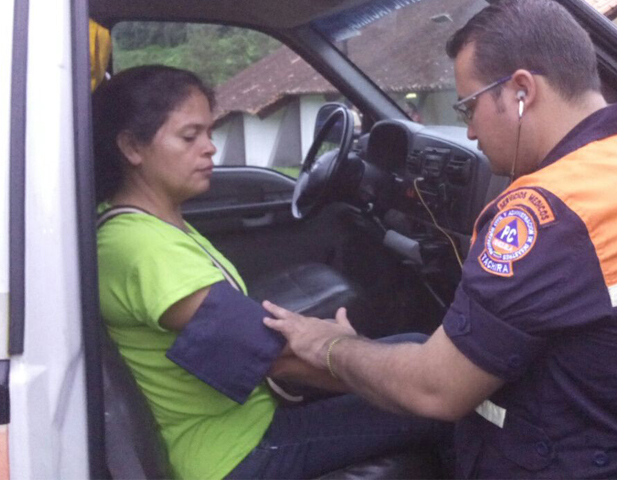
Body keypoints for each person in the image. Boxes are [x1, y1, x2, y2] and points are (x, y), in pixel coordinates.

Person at [263, 0, 617, 477]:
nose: (469, 130)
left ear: (522, 90)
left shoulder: (544, 212)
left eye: (470, 106)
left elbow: (435, 390)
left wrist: (331, 347)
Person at [93, 65, 450, 480]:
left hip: (245, 422)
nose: (210, 148)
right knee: (441, 399)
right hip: (236, 453)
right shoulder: (141, 248)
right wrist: (386, 375)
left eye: (209, 133)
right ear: (132, 148)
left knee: (416, 353)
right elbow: (271, 358)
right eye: (190, 136)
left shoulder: (148, 224)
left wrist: (376, 361)